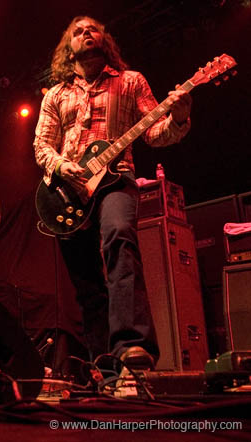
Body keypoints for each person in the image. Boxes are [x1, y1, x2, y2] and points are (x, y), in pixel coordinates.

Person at [33, 16, 192, 370]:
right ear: (68, 48)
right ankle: (104, 367)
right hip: (67, 191)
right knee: (86, 282)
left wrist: (178, 119)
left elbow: (155, 133)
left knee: (119, 236)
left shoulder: (130, 81)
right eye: (78, 31)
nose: (86, 33)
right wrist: (61, 167)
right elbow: (42, 145)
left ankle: (132, 346)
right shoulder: (56, 94)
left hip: (116, 179)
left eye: (92, 29)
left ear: (104, 39)